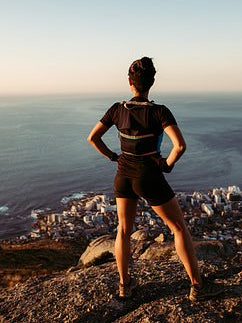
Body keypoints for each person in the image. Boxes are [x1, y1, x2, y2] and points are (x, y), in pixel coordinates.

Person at [87, 57, 224, 301]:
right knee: (178, 228)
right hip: (148, 175)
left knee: (124, 231)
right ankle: (198, 287)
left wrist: (113, 157)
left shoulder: (116, 109)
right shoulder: (159, 111)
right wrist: (166, 165)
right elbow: (179, 146)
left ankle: (124, 285)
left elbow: (93, 138)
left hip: (123, 175)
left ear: (130, 82)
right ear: (152, 82)